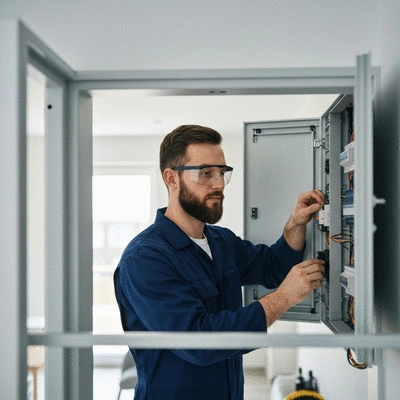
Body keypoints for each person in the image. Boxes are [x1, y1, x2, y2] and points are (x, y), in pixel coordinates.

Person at [113, 124, 325, 400]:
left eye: (222, 173)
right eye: (205, 173)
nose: (218, 184)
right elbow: (198, 342)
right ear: (172, 178)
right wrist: (281, 299)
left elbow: (273, 268)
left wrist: (296, 224)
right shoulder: (145, 258)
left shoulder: (221, 241)